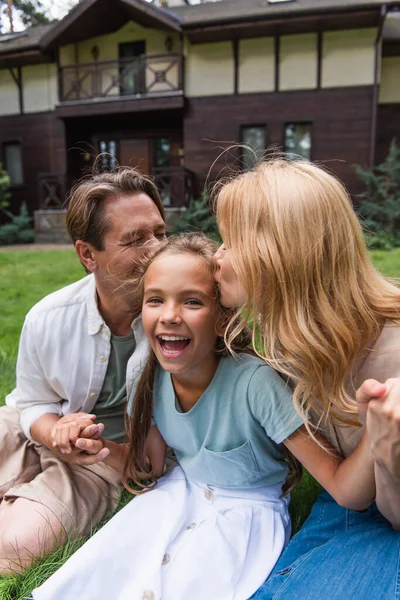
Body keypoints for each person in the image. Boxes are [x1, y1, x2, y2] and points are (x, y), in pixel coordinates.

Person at [33, 233, 379, 600]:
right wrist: (97, 447)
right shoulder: (146, 377)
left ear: (222, 318)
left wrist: (379, 432)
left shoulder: (253, 383)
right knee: (106, 571)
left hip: (246, 516)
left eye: (192, 301)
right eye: (155, 300)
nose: (169, 316)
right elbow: (146, 468)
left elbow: (343, 488)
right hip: (175, 497)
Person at [213, 158, 400, 600]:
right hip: (347, 504)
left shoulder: (392, 353)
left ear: (276, 255)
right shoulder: (290, 344)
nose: (216, 256)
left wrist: (390, 453)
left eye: (229, 242)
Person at [0, 168, 166, 574]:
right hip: (31, 427)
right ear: (88, 254)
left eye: (160, 233)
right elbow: (33, 401)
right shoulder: (48, 317)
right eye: (135, 239)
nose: (157, 249)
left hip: (105, 456)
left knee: (13, 549)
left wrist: (89, 448)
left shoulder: (181, 324)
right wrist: (53, 431)